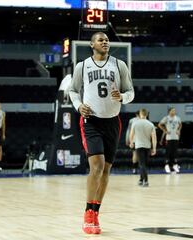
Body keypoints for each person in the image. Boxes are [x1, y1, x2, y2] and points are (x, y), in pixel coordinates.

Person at [68, 32, 134, 235]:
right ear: (91, 44)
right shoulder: (82, 66)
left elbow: (130, 92)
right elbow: (72, 90)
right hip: (91, 121)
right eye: (100, 39)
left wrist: (122, 97)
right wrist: (79, 106)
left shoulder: (119, 65)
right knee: (96, 166)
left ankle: (96, 212)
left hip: (112, 122)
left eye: (106, 39)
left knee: (105, 170)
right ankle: (88, 211)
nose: (105, 42)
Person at [129, 108, 157, 187]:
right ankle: (141, 180)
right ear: (147, 114)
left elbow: (131, 134)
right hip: (147, 146)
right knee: (143, 164)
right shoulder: (151, 124)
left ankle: (146, 180)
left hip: (139, 146)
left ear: (140, 114)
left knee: (141, 164)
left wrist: (131, 142)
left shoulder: (135, 123)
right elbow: (154, 138)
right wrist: (154, 148)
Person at [158, 107, 182, 174]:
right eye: (172, 110)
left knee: (175, 152)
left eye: (174, 110)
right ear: (169, 111)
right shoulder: (166, 118)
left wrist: (178, 130)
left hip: (176, 137)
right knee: (168, 152)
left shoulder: (177, 118)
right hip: (169, 137)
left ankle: (175, 165)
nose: (174, 112)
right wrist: (165, 130)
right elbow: (159, 124)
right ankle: (167, 165)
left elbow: (180, 124)